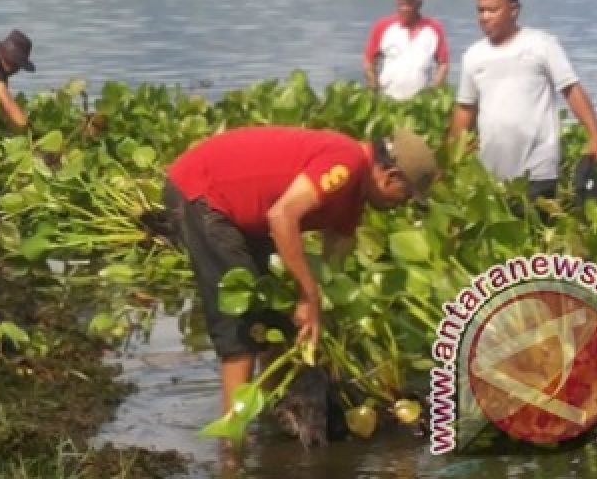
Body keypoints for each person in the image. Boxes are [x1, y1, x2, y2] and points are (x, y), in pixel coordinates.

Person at [164, 126, 437, 420]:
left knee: (277, 320)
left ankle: (269, 417)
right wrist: (309, 296)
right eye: (406, 195)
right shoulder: (346, 162)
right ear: (390, 176)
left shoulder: (354, 196)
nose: (402, 204)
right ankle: (232, 445)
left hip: (245, 215)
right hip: (203, 193)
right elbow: (282, 216)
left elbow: (333, 263)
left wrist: (330, 325)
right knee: (241, 327)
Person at [448, 0, 597, 200]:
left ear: (514, 10)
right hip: (490, 173)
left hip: (538, 171)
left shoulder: (541, 45)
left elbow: (571, 90)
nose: (484, 17)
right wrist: (451, 155)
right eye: (480, 11)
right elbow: (465, 109)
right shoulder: (473, 56)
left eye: (492, 10)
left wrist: (596, 135)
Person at [363, 0, 449, 99]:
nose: (404, 8)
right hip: (387, 100)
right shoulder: (383, 26)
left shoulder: (434, 29)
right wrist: (374, 87)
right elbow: (369, 61)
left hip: (420, 103)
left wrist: (434, 90)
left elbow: (443, 63)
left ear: (419, 3)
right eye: (401, 2)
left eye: (409, 3)